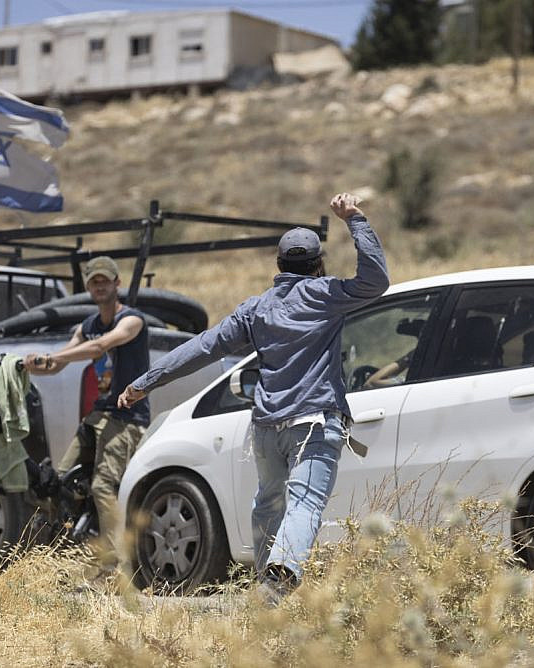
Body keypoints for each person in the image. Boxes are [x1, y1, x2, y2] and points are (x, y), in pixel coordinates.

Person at [118, 192, 389, 601]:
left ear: (279, 266)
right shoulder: (326, 294)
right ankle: (278, 582)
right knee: (305, 503)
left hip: (266, 428)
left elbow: (203, 347)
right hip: (313, 422)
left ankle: (269, 587)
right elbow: (376, 281)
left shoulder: (256, 309)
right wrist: (355, 219)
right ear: (318, 265)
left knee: (268, 504)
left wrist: (145, 382)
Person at [25, 255, 151, 575]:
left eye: (104, 280)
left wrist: (51, 356)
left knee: (103, 486)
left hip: (127, 418)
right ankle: (65, 555)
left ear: (116, 284)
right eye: (93, 281)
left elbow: (99, 348)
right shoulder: (87, 326)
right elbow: (56, 365)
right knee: (55, 483)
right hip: (98, 418)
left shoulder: (132, 321)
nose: (99, 285)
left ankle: (119, 567)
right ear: (88, 287)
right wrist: (19, 363)